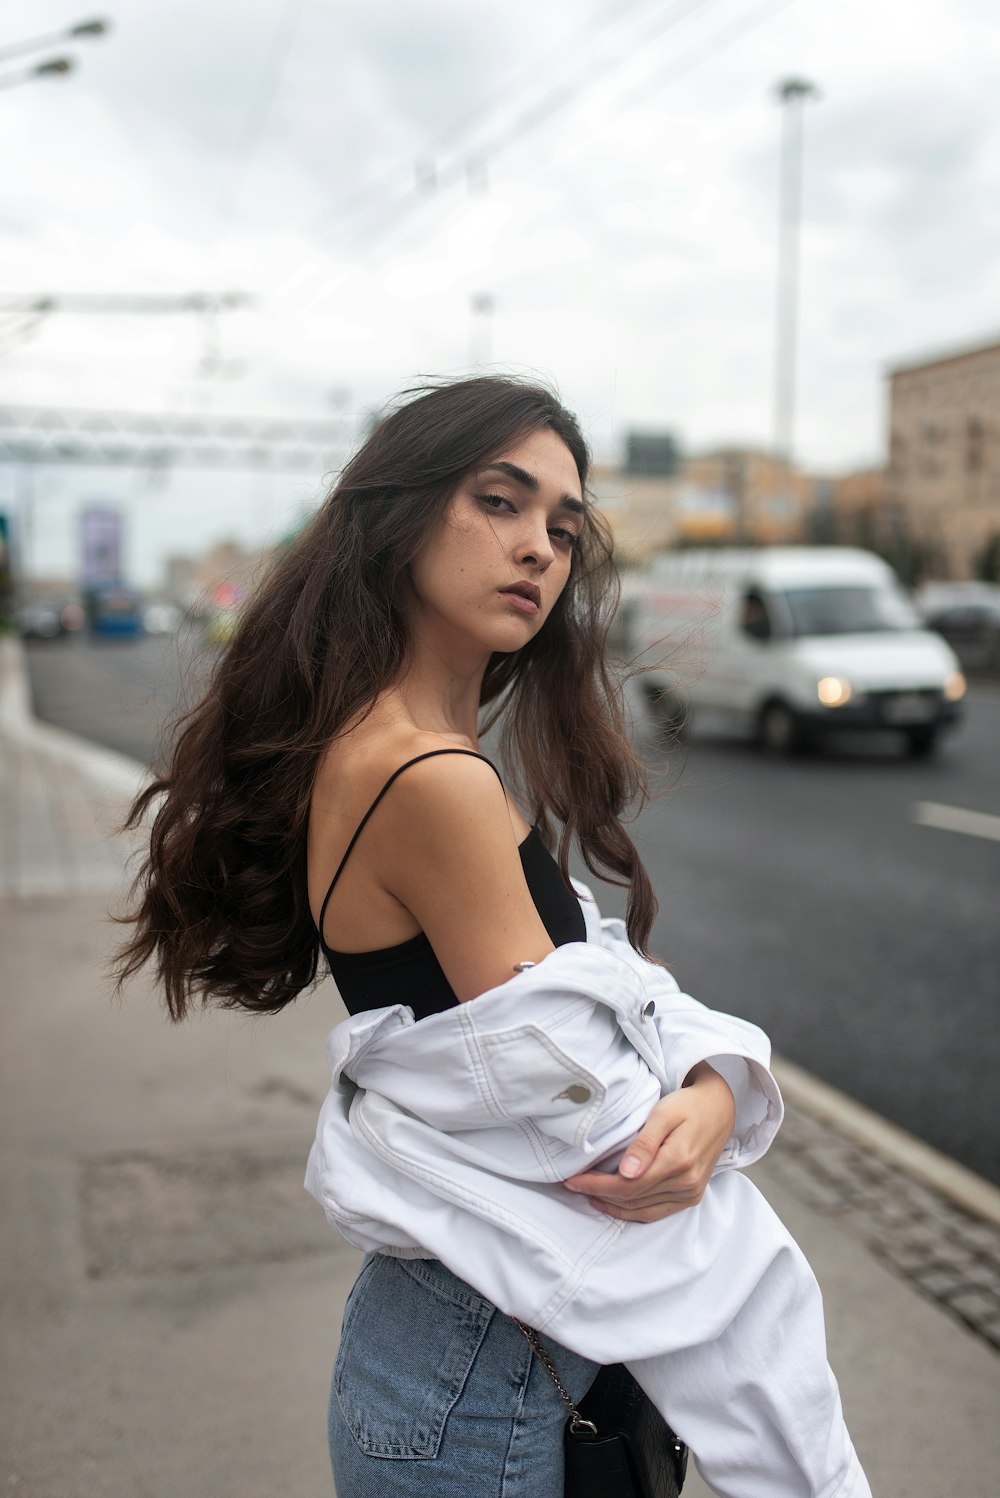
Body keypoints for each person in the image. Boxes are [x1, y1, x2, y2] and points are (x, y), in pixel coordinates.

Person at [116, 376, 869, 1497]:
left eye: (563, 528)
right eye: (500, 503)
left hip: (460, 1358)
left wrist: (708, 1086)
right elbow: (612, 1131)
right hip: (494, 1383)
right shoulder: (430, 779)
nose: (538, 549)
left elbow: (617, 980)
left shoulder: (392, 747)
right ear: (403, 513)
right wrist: (711, 1090)